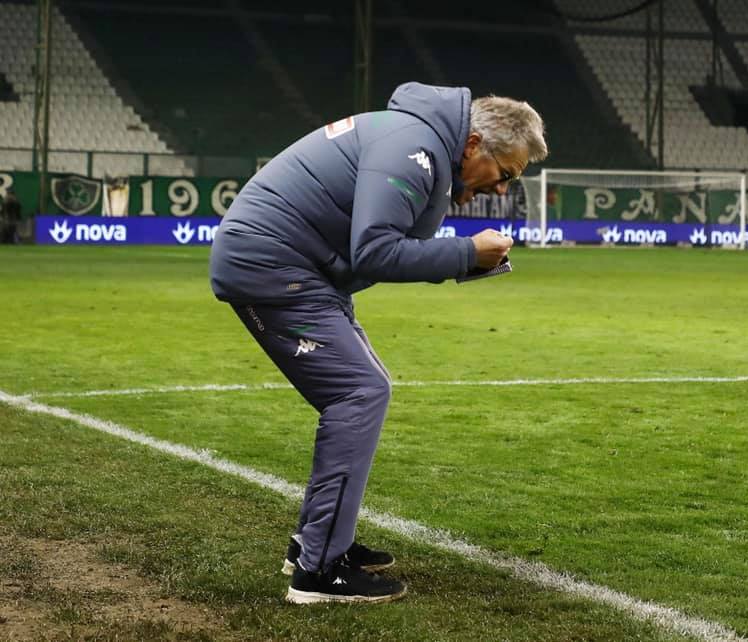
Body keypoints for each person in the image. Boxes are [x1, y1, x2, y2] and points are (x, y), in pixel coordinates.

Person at [209, 82, 547, 605]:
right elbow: (375, 251)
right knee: (360, 392)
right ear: (474, 144)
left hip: (298, 268)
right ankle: (319, 572)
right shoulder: (415, 148)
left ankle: (315, 546)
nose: (501, 189)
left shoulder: (419, 140)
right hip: (274, 265)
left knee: (364, 388)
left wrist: (469, 258)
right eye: (505, 174)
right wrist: (466, 252)